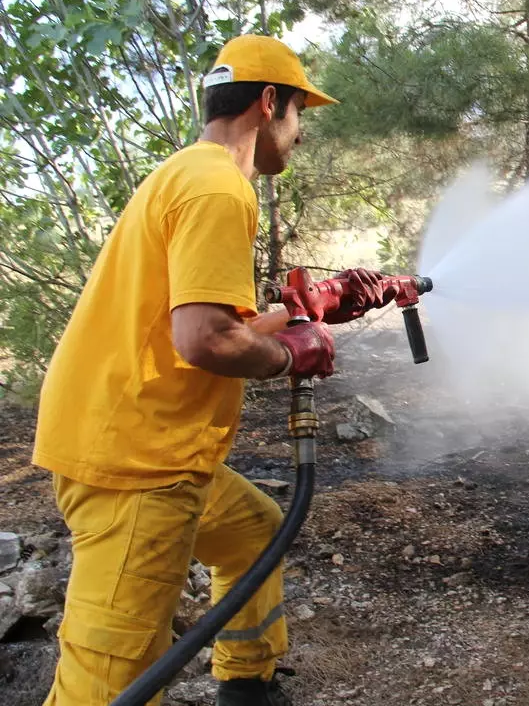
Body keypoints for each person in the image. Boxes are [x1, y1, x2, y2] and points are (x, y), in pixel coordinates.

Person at [31, 35, 386, 706]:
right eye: (299, 113)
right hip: (141, 463)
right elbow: (204, 341)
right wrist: (293, 354)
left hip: (126, 434)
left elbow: (192, 329)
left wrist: (305, 311)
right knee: (109, 679)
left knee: (253, 533)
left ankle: (246, 687)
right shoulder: (221, 188)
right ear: (269, 101)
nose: (300, 135)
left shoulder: (186, 173)